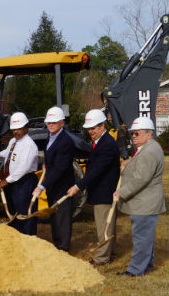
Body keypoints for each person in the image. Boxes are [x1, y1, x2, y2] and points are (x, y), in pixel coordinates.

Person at [114, 117, 166, 276]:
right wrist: (129, 162)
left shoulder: (149, 151)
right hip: (146, 202)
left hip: (145, 204)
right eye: (132, 134)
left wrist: (121, 192)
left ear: (149, 135)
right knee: (146, 237)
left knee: (141, 239)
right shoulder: (148, 148)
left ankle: (135, 270)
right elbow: (142, 165)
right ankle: (147, 265)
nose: (133, 136)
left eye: (137, 133)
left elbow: (141, 179)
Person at [67, 109, 120, 265]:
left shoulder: (107, 144)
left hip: (105, 191)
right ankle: (111, 253)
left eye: (93, 128)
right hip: (100, 190)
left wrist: (78, 185)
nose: (90, 131)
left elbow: (96, 170)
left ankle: (102, 258)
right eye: (88, 128)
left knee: (104, 227)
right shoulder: (99, 142)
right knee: (108, 225)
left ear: (102, 126)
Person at [33, 106, 75, 251]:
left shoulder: (66, 141)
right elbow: (51, 157)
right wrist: (46, 163)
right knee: (54, 217)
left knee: (62, 218)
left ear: (62, 123)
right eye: (49, 122)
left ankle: (63, 248)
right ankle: (57, 246)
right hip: (53, 186)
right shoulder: (50, 137)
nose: (50, 124)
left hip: (63, 186)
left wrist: (42, 186)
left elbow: (60, 169)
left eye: (54, 122)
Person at [0, 112, 38, 235]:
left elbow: (23, 169)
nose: (16, 131)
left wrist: (5, 181)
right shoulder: (13, 141)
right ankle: (16, 239)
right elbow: (7, 153)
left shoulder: (29, 145)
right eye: (14, 129)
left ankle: (28, 239)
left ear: (26, 128)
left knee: (24, 215)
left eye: (19, 128)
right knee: (13, 212)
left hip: (25, 182)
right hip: (13, 183)